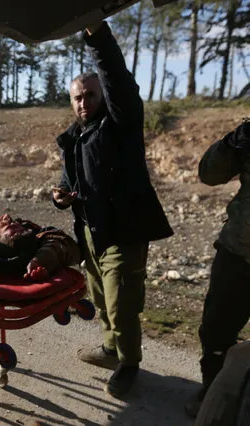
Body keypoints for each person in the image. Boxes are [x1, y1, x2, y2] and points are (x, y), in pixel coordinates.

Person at [51, 20, 173, 398]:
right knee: (100, 298)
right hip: (91, 231)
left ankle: (129, 365)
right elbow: (67, 183)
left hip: (125, 231)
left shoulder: (120, 123)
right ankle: (109, 349)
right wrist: (61, 196)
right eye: (77, 97)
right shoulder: (74, 137)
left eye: (90, 94)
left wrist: (97, 36)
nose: (83, 102)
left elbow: (118, 79)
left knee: (121, 303)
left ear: (102, 95)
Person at [185, 120, 250, 418]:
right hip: (238, 250)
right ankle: (213, 395)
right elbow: (209, 174)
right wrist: (232, 142)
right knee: (215, 331)